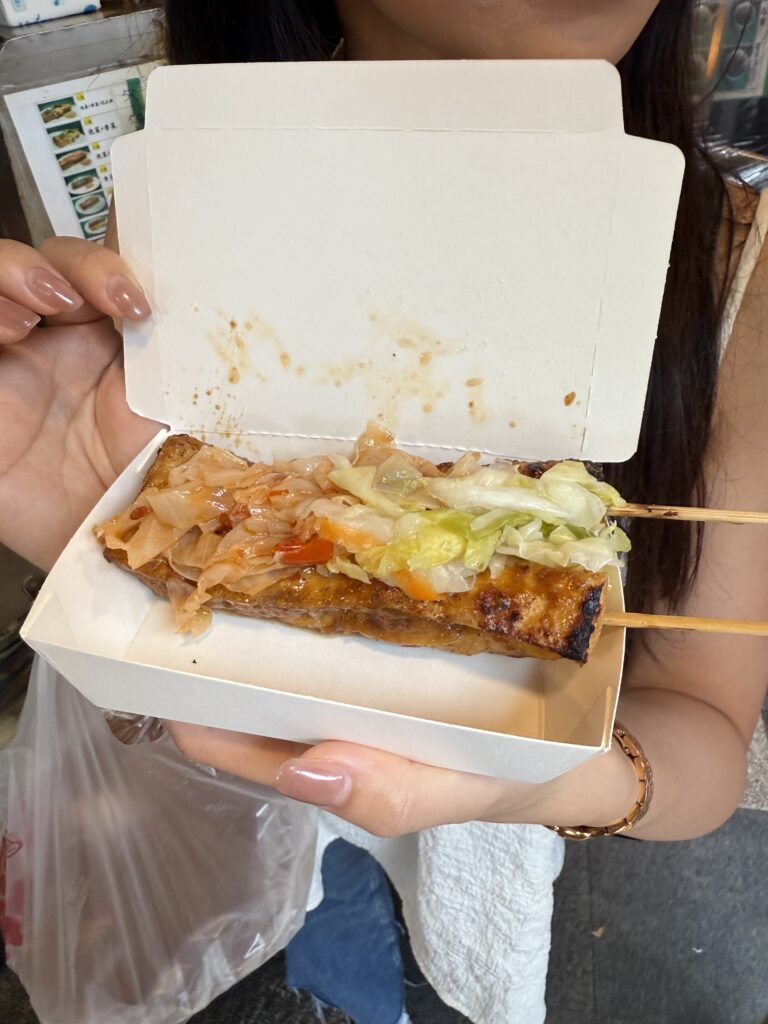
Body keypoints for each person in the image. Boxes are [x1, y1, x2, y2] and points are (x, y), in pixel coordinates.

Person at [1, 2, 767, 1022]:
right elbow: (155, 681)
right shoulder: (202, 189)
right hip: (231, 844)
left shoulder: (727, 260)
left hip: (499, 863)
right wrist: (80, 489)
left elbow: (706, 737)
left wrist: (535, 783)